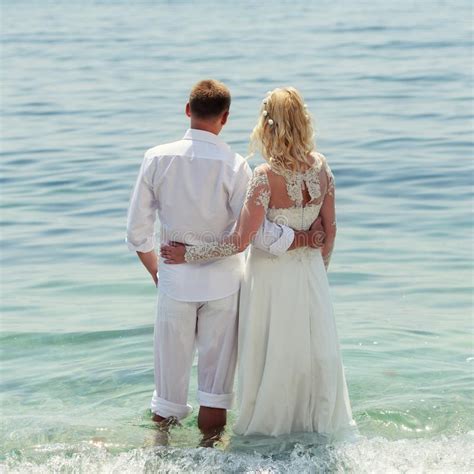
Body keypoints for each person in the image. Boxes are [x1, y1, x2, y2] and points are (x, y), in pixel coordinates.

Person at [125, 80, 325, 440]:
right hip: (224, 285)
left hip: (175, 281)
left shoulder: (156, 158)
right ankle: (209, 454)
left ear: (188, 110)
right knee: (215, 392)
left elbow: (137, 232)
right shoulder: (236, 166)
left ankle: (159, 455)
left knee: (166, 393)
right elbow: (258, 235)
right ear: (226, 118)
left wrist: (158, 271)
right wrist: (303, 238)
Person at [161, 87, 357, 437]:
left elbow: (239, 241)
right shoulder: (322, 167)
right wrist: (317, 270)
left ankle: (269, 428)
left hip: (268, 278)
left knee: (272, 351)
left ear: (267, 126)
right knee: (310, 351)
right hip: (310, 273)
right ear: (302, 121)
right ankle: (310, 426)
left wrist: (187, 254)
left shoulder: (265, 176)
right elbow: (331, 230)